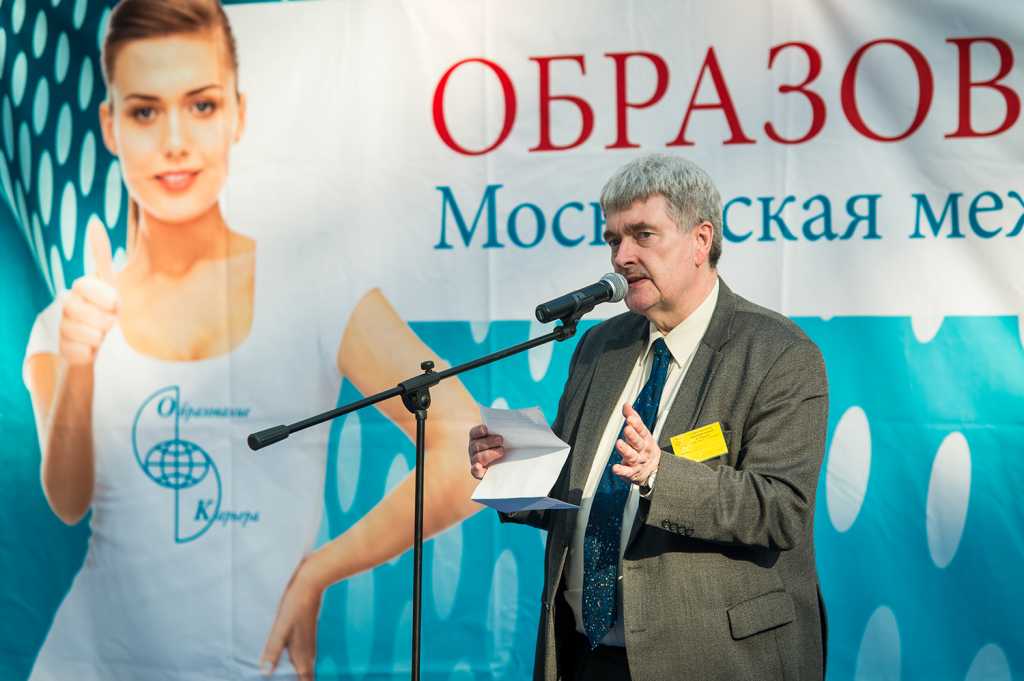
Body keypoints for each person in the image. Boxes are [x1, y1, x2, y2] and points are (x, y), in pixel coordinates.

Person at [23, 1, 481, 679]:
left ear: (237, 115)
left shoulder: (316, 292)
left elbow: (470, 446)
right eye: (145, 112)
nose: (175, 141)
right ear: (110, 126)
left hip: (254, 665)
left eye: (201, 105)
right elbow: (68, 500)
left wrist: (321, 569)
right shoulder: (67, 319)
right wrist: (80, 363)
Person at [468, 154, 829, 681]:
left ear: (700, 240)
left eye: (643, 235)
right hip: (587, 656)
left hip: (715, 661)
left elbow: (780, 509)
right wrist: (513, 472)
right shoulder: (600, 347)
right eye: (613, 239)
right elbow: (581, 495)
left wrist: (661, 474)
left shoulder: (778, 353)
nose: (621, 257)